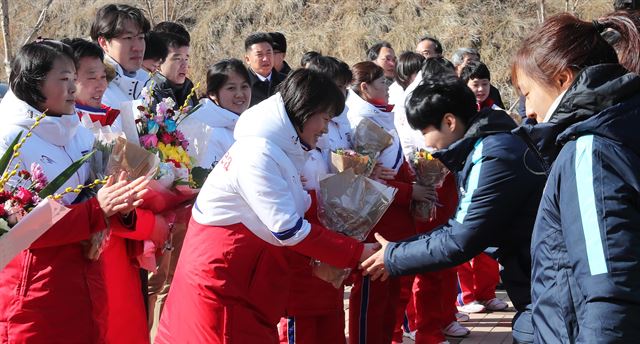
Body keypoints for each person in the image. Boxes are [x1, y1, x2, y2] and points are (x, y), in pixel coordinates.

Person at [155, 69, 379, 343]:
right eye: (324, 118)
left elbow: (302, 205)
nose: (325, 129)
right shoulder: (258, 154)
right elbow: (289, 229)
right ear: (305, 111)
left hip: (245, 286)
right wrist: (355, 252)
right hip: (225, 286)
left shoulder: (277, 149)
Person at [360, 73, 546, 344]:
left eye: (425, 131)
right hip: (534, 278)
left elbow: (461, 239)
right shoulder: (490, 144)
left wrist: (393, 256)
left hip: (541, 280)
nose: (426, 143)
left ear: (449, 122)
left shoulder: (493, 153)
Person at [0, 40, 150, 344]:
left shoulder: (79, 130)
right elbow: (19, 230)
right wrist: (98, 211)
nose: (72, 88)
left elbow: (99, 196)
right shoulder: (10, 140)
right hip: (37, 289)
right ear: (34, 82)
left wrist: (121, 206)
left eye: (73, 79)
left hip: (88, 276)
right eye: (63, 79)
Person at [510, 12, 640, 342]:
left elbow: (608, 289)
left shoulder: (590, 151)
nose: (528, 112)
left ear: (563, 79)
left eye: (526, 93)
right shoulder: (622, 125)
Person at [65, 37, 164, 344]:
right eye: (90, 77)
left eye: (102, 77)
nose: (99, 84)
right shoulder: (68, 129)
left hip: (124, 246)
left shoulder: (116, 121)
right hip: (93, 250)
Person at [345, 61, 432, 344]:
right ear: (365, 88)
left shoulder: (382, 115)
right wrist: (410, 192)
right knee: (373, 295)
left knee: (393, 294)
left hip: (396, 216)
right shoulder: (360, 121)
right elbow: (364, 180)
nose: (388, 87)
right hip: (378, 221)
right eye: (382, 83)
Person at [277, 55, 353, 344]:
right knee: (302, 325)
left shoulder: (319, 136)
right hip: (302, 251)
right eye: (323, 116)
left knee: (331, 323)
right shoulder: (276, 150)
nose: (326, 126)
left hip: (328, 236)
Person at [182, 58, 251, 170]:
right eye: (231, 88)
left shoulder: (248, 123)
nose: (239, 94)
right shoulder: (209, 131)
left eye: (244, 87)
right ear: (213, 94)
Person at [91, 4, 150, 126]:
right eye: (128, 38)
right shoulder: (98, 91)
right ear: (104, 43)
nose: (138, 47)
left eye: (141, 37)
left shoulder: (149, 83)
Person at [147, 30, 197, 109]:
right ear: (159, 62)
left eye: (186, 59)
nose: (184, 65)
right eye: (178, 59)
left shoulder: (189, 89)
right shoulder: (149, 91)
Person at [244, 32, 286, 107]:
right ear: (248, 59)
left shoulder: (286, 82)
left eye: (269, 53)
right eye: (259, 55)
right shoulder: (242, 85)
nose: (265, 59)